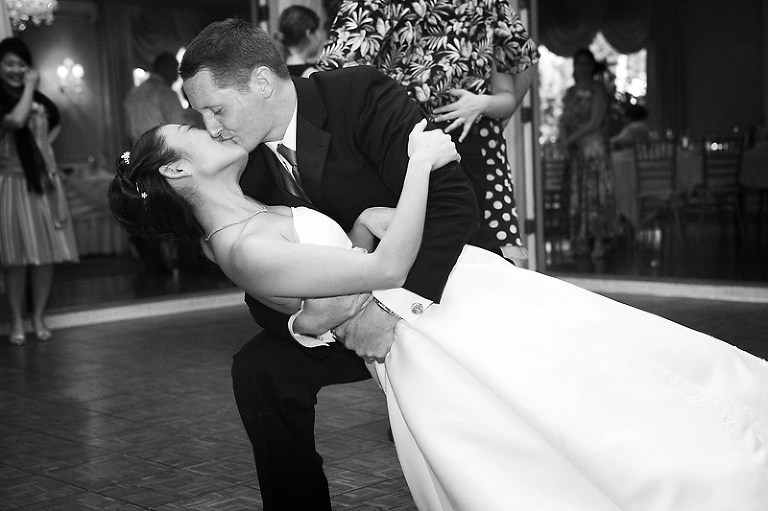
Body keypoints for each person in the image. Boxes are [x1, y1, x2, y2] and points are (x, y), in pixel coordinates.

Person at [109, 122, 768, 511]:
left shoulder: (254, 211)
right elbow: (384, 271)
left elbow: (332, 268)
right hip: (420, 334)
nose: (210, 126)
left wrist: (362, 223)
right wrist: (419, 166)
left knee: (585, 365)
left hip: (433, 302)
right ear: (177, 168)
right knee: (553, 409)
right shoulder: (240, 246)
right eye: (192, 130)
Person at [177, 18, 499, 510]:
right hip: (342, 317)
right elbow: (261, 282)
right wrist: (306, 324)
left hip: (436, 286)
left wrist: (389, 311)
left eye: (216, 109)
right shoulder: (240, 164)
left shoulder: (358, 95)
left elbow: (453, 205)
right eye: (200, 116)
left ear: (261, 81)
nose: (212, 129)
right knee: (261, 372)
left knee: (471, 435)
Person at [317, 0, 540, 259]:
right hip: (446, 136)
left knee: (429, 253)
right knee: (466, 255)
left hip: (409, 135)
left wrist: (487, 110)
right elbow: (524, 60)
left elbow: (336, 73)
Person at [0, 37, 79, 346]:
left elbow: (55, 122)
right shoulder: (8, 100)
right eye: (9, 64)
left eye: (21, 64)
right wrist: (30, 87)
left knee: (45, 257)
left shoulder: (41, 102)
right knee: (15, 258)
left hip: (43, 185)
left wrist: (45, 149)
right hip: (13, 185)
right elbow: (16, 120)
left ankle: (38, 316)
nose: (16, 70)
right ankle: (17, 319)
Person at [123, 52, 202, 274]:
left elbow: (128, 132)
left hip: (139, 160)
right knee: (180, 210)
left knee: (149, 212)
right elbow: (178, 131)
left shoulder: (133, 94)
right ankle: (188, 264)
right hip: (164, 159)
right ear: (165, 69)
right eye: (175, 70)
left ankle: (156, 267)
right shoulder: (165, 94)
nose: (176, 76)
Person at [558, 47, 617, 259]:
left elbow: (595, 121)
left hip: (594, 151)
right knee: (576, 195)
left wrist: (572, 138)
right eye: (578, 64)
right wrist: (563, 139)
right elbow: (563, 119)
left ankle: (599, 241)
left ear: (592, 66)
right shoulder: (570, 93)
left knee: (595, 195)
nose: (582, 68)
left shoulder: (598, 91)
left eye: (586, 63)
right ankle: (579, 240)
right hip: (576, 153)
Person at [275, 5, 326, 78]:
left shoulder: (276, 74)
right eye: (318, 30)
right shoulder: (312, 76)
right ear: (308, 34)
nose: (320, 36)